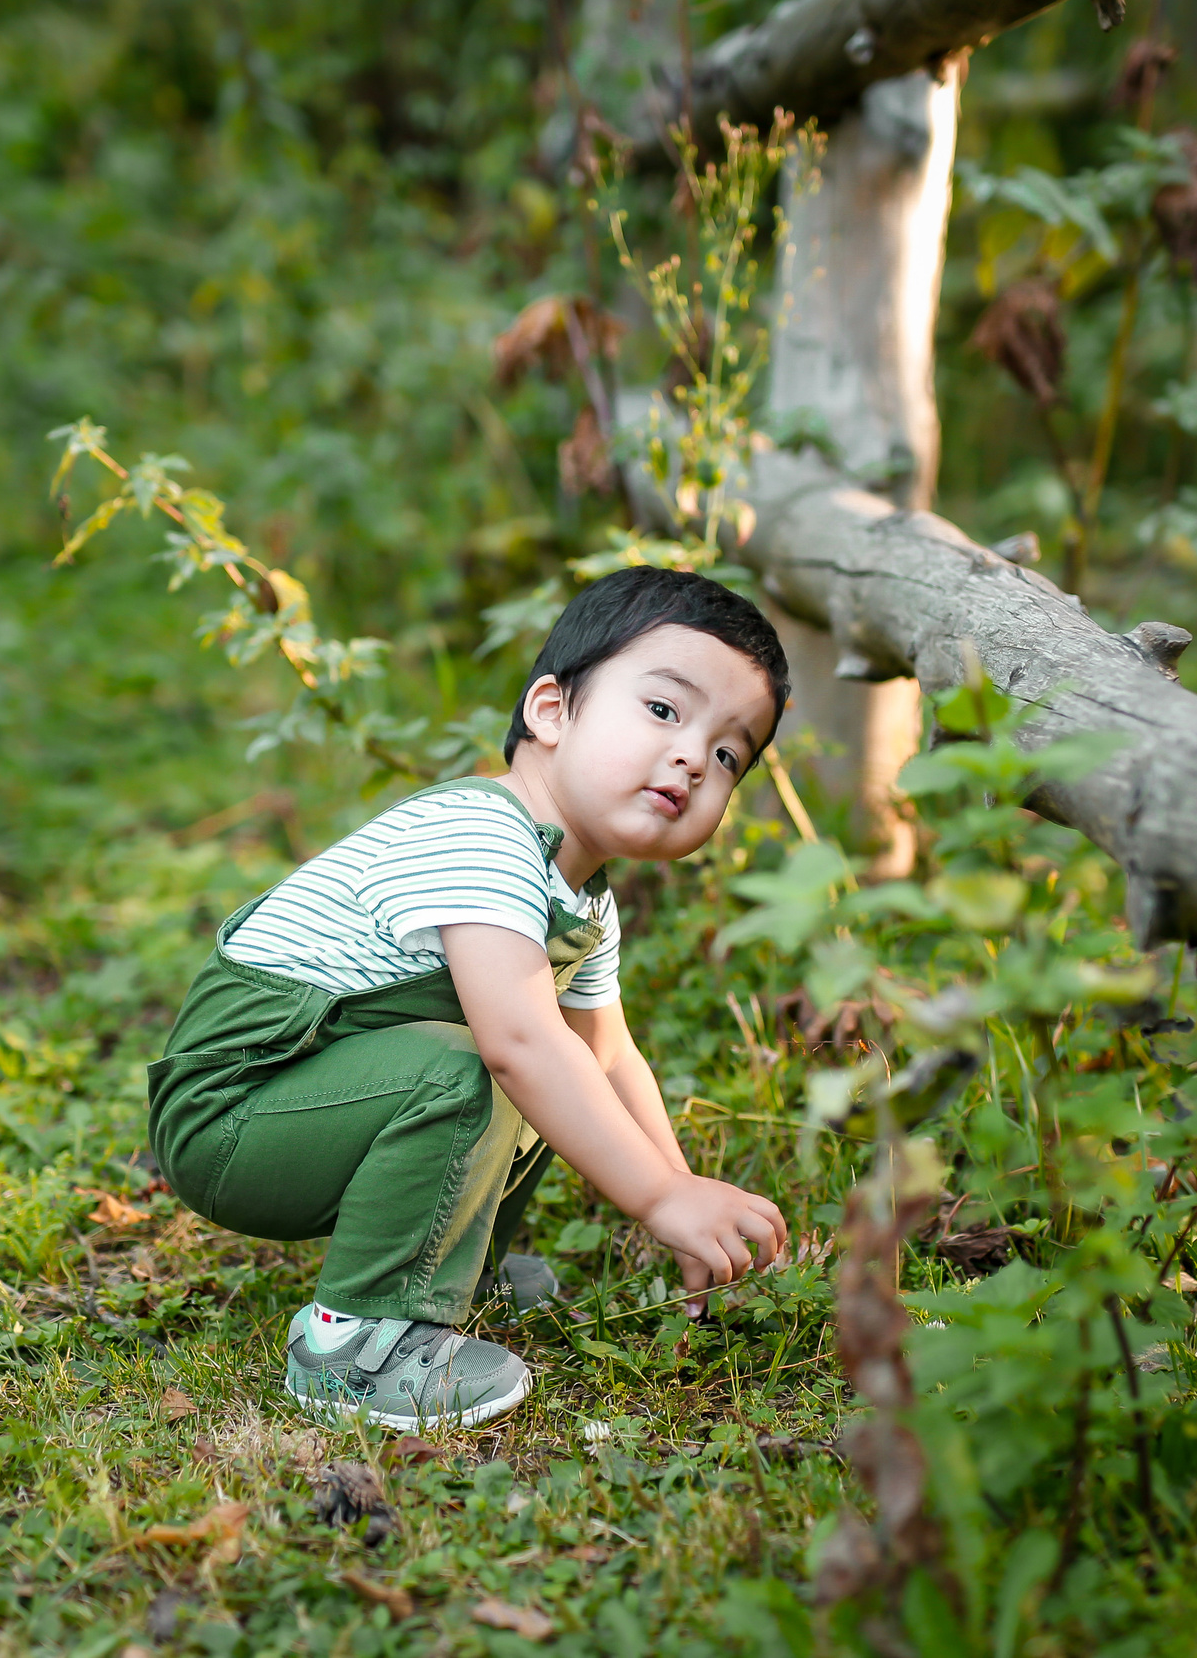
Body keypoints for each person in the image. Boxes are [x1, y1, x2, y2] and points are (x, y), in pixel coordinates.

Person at [148, 566, 794, 1432]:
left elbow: (606, 1055)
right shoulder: (480, 833)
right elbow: (520, 1042)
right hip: (232, 1113)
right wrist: (657, 1198)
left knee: (558, 1070)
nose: (691, 757)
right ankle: (357, 1340)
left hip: (318, 1094)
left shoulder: (582, 896)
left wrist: (680, 1193)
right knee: (491, 1065)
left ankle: (453, 1265)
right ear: (552, 712)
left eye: (727, 754)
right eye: (663, 709)